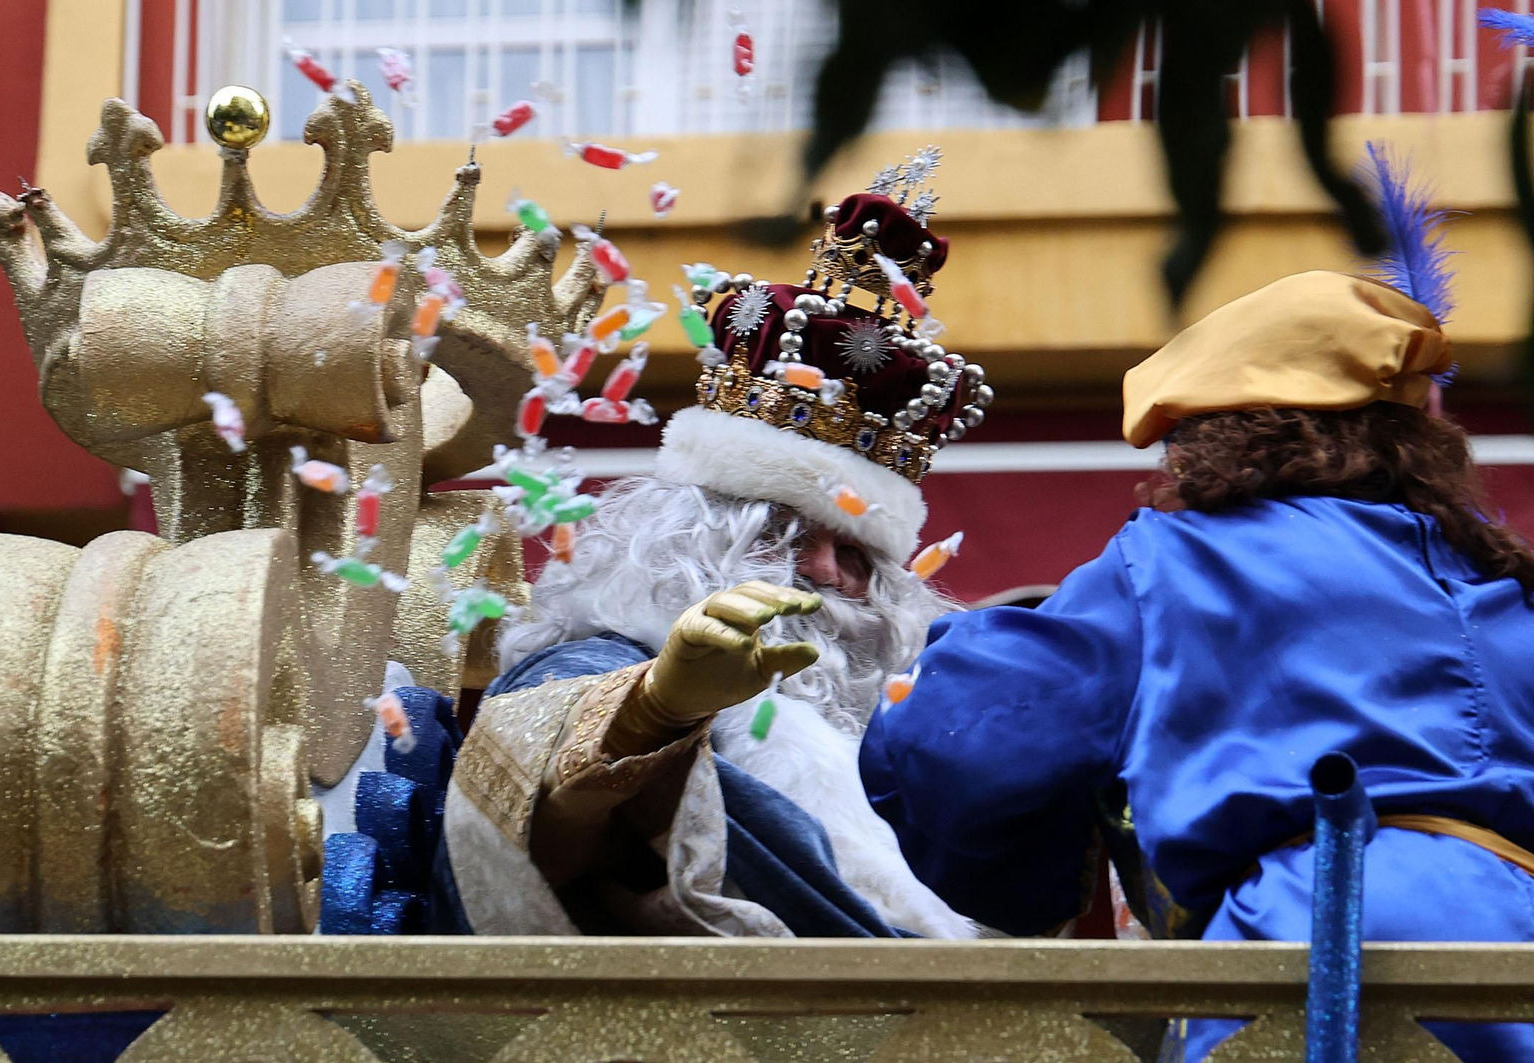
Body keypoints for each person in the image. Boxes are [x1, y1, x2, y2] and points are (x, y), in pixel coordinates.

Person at [859, 269, 1534, 1060]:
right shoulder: (1505, 580)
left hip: (1304, 943)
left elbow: (961, 742)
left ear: (1225, 439)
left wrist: (1038, 874)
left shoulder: (1172, 561)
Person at [432, 163, 992, 938]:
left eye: (858, 557)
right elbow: (523, 813)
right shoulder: (591, 665)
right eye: (786, 533)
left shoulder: (904, 736)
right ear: (684, 538)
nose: (828, 572)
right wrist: (660, 704)